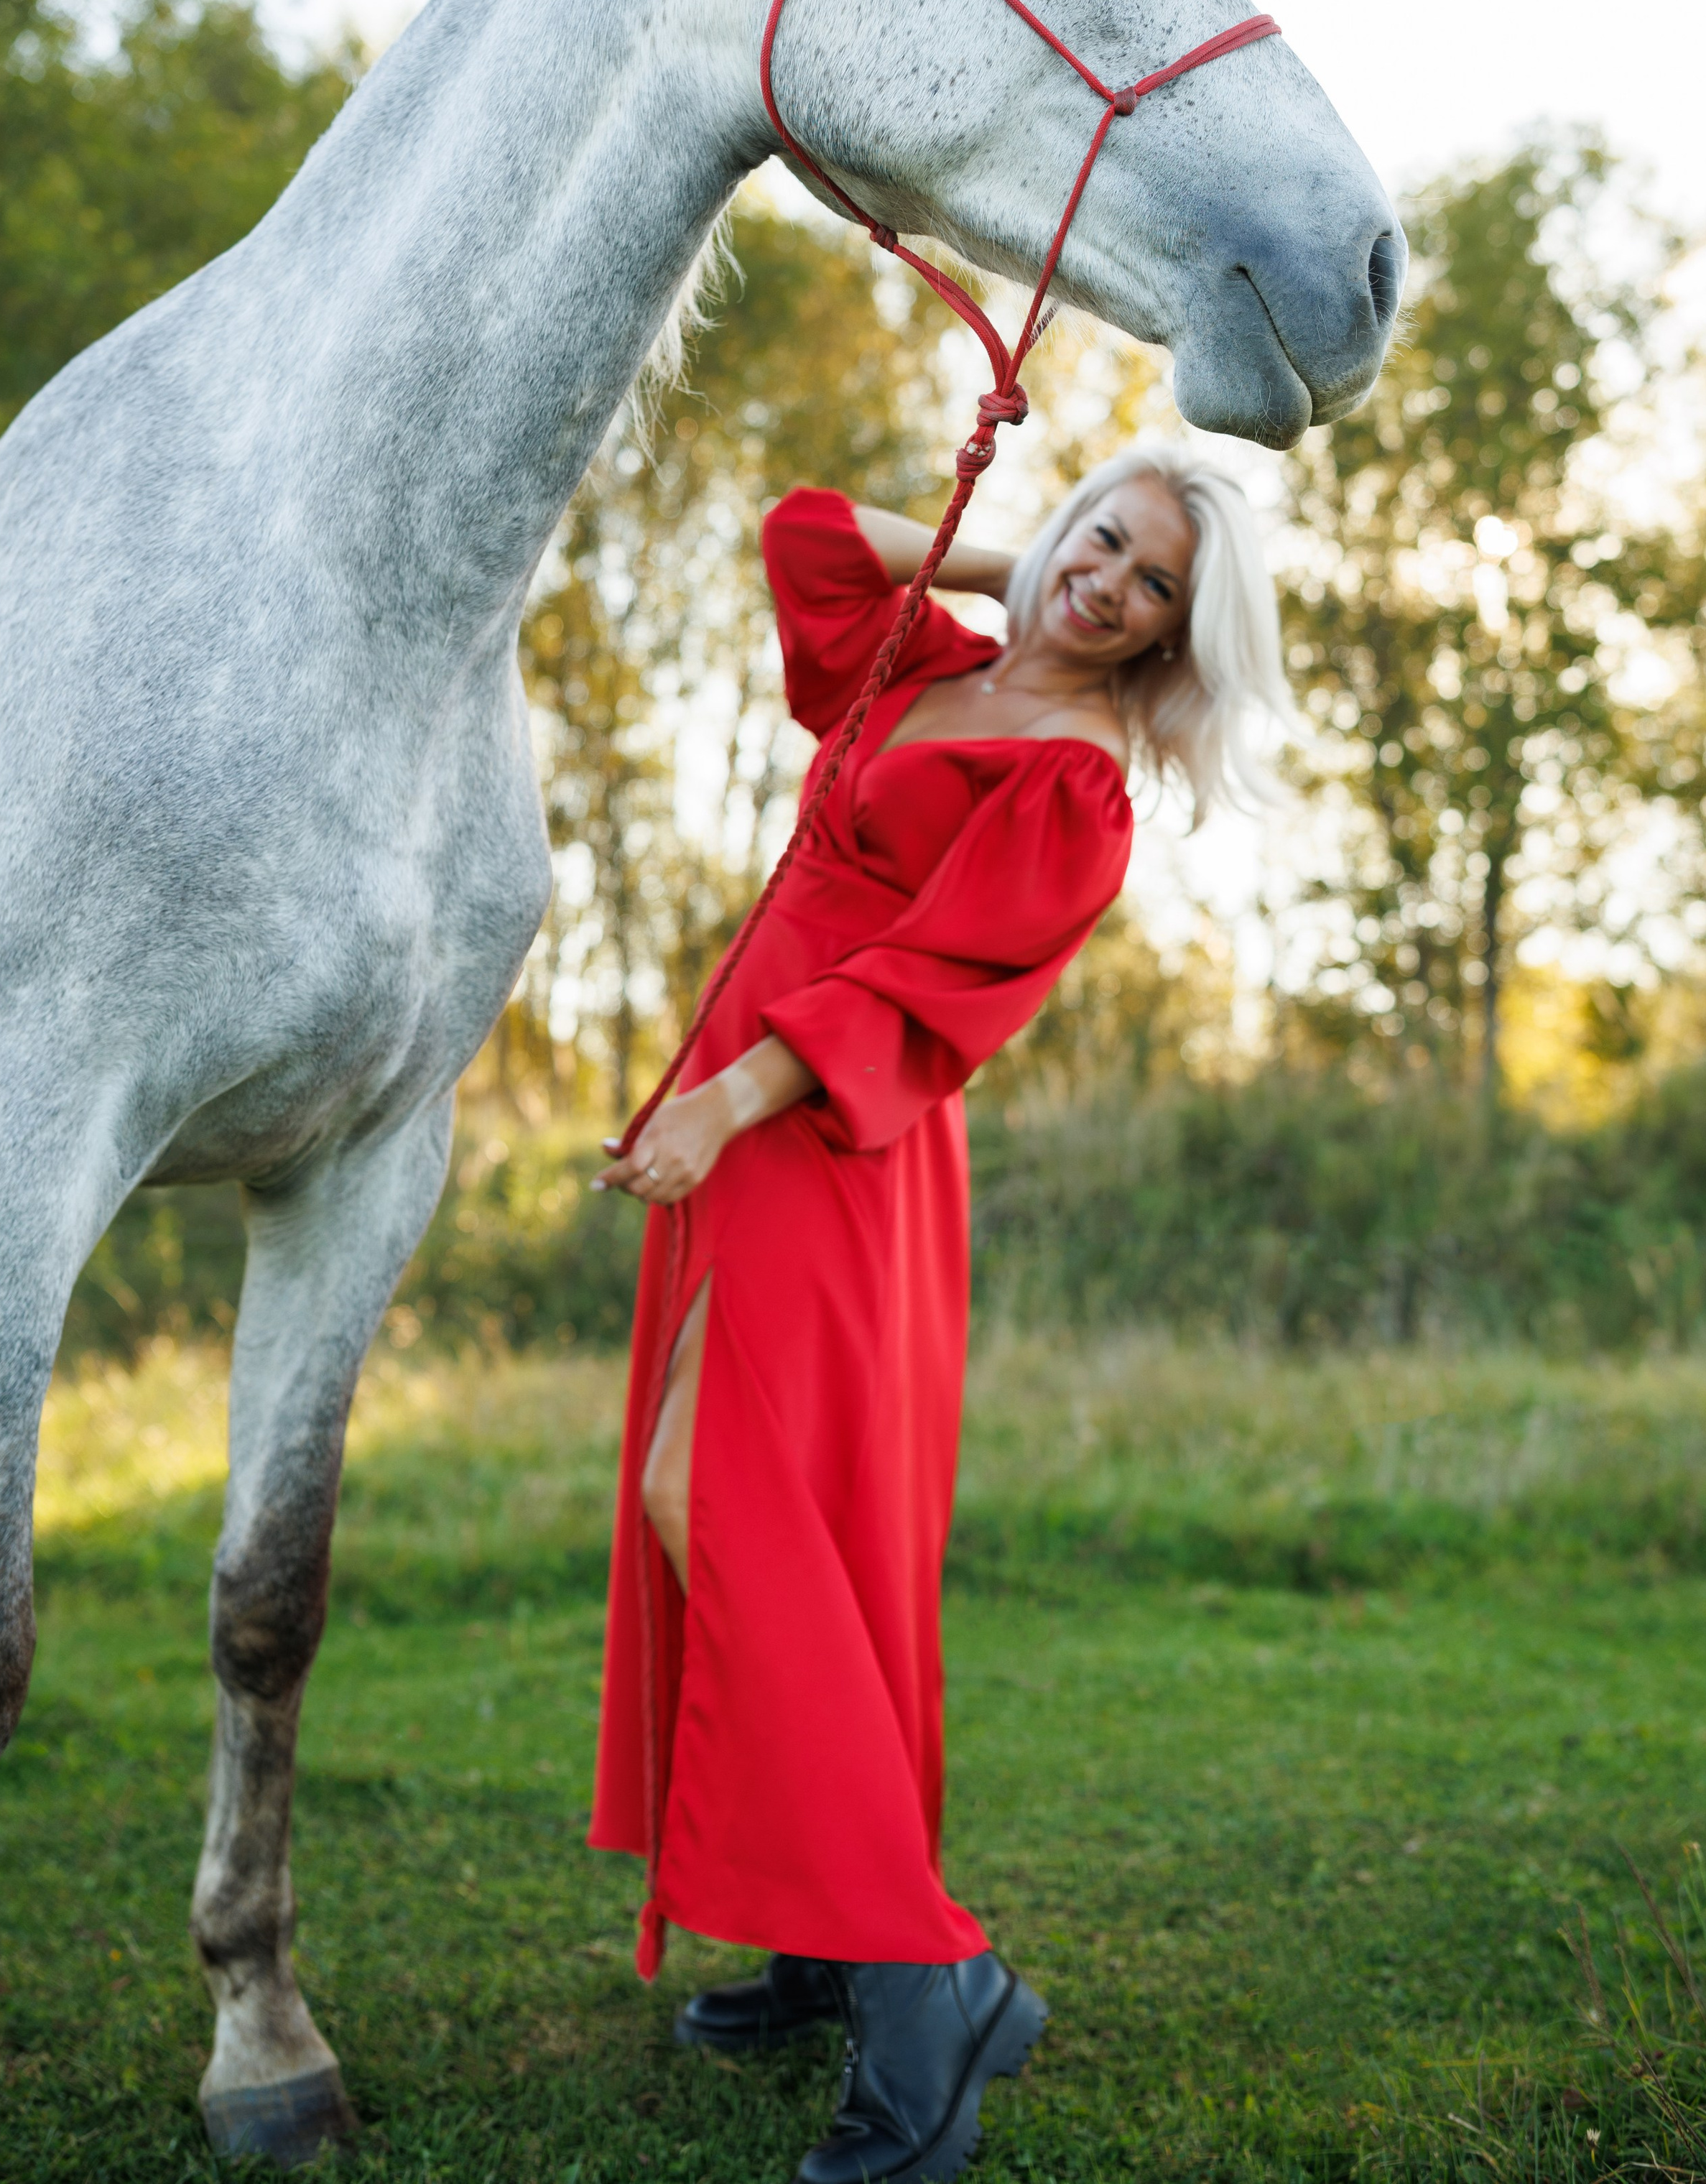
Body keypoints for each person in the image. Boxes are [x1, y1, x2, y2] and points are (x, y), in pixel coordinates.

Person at [588, 448, 1290, 2184]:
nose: (1105, 588)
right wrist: (1019, 550)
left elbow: (923, 996)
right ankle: (826, 1937)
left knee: (719, 1501)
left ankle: (929, 1973)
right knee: (790, 1520)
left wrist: (723, 1106)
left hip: (823, 1133)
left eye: (1146, 588)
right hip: (742, 1114)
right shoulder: (929, 663)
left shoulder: (1075, 785)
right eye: (1102, 542)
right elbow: (803, 536)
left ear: (1174, 640)